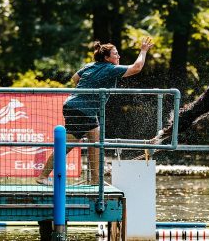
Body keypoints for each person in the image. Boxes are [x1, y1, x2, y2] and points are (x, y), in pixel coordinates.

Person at [36, 37, 154, 185]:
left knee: (95, 140)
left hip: (77, 107)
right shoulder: (110, 69)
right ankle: (43, 177)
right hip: (82, 110)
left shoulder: (90, 66)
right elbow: (136, 68)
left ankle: (95, 180)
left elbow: (75, 78)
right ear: (107, 58)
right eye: (115, 54)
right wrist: (143, 51)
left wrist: (89, 89)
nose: (119, 56)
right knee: (67, 146)